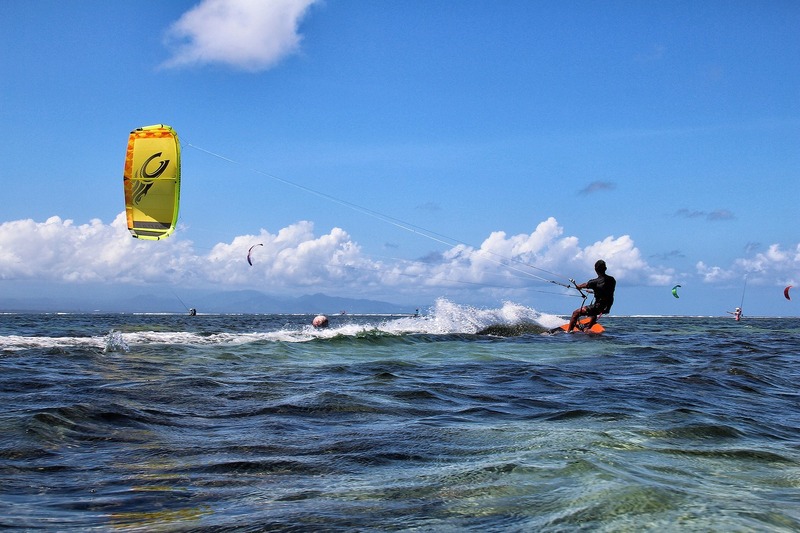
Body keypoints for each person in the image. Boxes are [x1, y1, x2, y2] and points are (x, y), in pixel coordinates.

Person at [567, 260, 616, 332]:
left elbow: (584, 285)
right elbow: (605, 291)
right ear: (605, 268)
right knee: (594, 313)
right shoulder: (612, 280)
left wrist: (578, 286)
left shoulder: (594, 282)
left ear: (595, 269)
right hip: (607, 307)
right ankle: (588, 328)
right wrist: (592, 291)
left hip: (598, 307)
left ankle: (568, 332)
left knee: (575, 313)